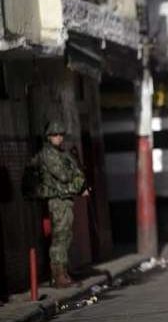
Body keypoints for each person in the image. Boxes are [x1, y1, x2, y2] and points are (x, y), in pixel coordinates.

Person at [35, 120, 89, 288]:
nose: (59, 138)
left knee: (66, 236)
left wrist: (77, 180)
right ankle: (58, 276)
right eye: (55, 135)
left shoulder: (61, 153)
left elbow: (75, 171)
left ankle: (64, 272)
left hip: (65, 198)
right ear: (48, 137)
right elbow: (64, 175)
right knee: (60, 237)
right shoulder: (48, 154)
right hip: (57, 200)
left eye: (60, 135)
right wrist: (76, 177)